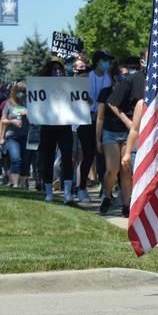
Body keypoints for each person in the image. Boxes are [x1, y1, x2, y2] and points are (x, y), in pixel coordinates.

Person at [97, 61, 133, 215]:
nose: (125, 77)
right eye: (122, 75)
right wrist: (97, 139)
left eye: (127, 74)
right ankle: (107, 196)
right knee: (112, 170)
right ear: (114, 76)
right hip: (110, 133)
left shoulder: (131, 92)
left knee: (126, 170)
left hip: (127, 134)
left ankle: (126, 205)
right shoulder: (105, 93)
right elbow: (100, 117)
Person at [76, 50, 112, 202]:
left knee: (102, 156)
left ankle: (105, 189)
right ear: (98, 62)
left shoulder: (109, 78)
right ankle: (82, 188)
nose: (108, 64)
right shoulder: (85, 77)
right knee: (88, 154)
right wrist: (90, 101)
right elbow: (78, 96)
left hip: (103, 120)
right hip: (86, 119)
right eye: (105, 61)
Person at [38, 59, 76, 203]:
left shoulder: (69, 84)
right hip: (47, 126)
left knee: (67, 157)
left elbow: (78, 100)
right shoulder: (41, 85)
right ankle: (48, 192)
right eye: (54, 69)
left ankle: (67, 192)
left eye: (60, 69)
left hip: (64, 126)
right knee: (47, 158)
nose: (58, 72)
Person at [0, 81, 31, 189]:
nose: (22, 93)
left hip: (27, 136)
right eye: (20, 91)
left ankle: (22, 184)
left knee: (25, 161)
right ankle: (15, 183)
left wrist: (29, 114)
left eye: (24, 91)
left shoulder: (30, 103)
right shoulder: (9, 104)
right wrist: (12, 121)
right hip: (12, 136)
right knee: (16, 158)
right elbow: (3, 120)